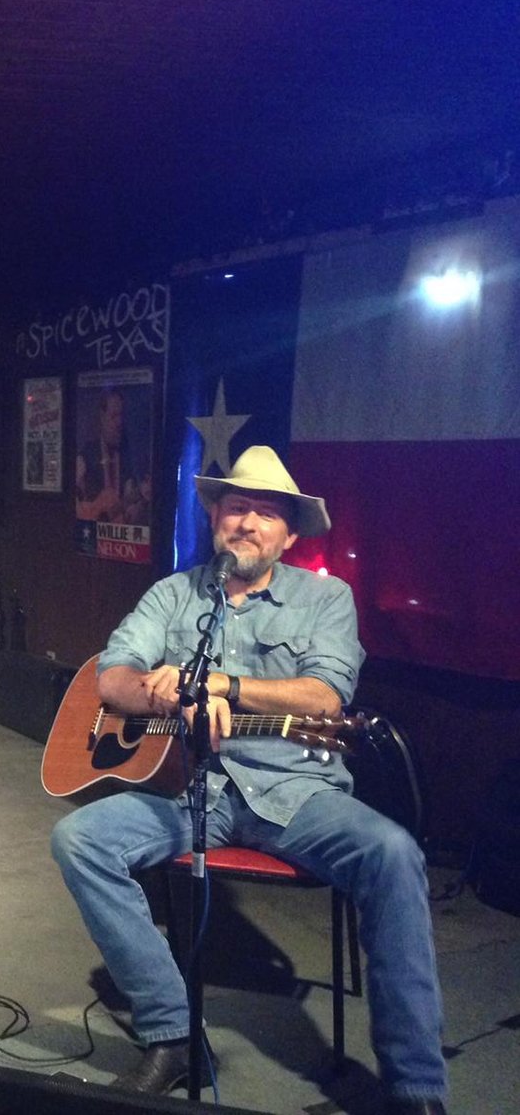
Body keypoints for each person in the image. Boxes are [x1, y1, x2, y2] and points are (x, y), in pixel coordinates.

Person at [50, 446, 445, 1115]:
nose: (249, 522)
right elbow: (111, 674)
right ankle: (171, 1033)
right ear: (214, 516)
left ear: (289, 533)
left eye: (267, 512)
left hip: (299, 792)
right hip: (191, 790)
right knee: (79, 838)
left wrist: (224, 684)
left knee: (392, 853)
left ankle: (414, 1087)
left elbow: (325, 698)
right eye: (237, 506)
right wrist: (162, 696)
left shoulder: (326, 598)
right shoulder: (174, 594)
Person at [75, 387, 149, 524]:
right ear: (102, 418)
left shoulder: (129, 457)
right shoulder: (85, 456)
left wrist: (140, 502)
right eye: (114, 416)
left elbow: (131, 514)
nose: (119, 423)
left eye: (121, 416)